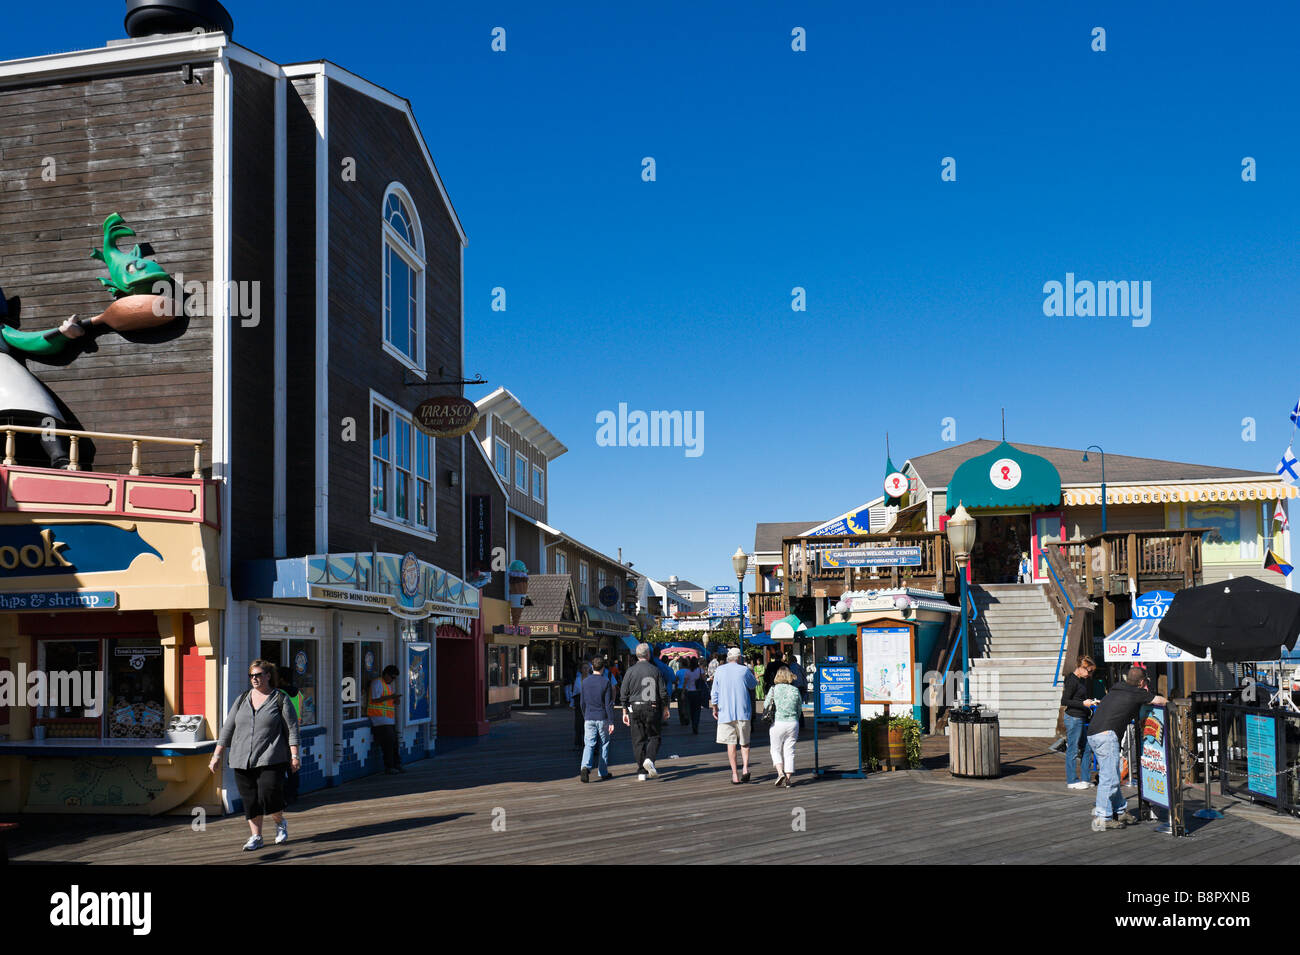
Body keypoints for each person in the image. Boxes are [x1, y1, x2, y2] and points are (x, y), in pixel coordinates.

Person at [209, 660, 300, 851]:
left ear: (268, 676)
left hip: (271, 756)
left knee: (269, 793)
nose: (254, 679)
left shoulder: (279, 699)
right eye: (252, 676)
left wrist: (294, 756)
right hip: (241, 758)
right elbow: (228, 728)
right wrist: (217, 755)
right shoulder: (242, 699)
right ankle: (256, 836)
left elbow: (292, 729)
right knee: (250, 799)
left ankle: (279, 821)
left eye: (258, 675)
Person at [1085, 665, 1167, 831]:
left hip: (1093, 734)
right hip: (1106, 735)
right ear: (1142, 681)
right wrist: (1170, 702)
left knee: (1112, 774)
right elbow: (1159, 700)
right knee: (1109, 778)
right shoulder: (1136, 693)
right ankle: (1103, 817)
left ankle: (1120, 810)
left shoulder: (1116, 689)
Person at [619, 643, 669, 780]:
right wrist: (665, 707)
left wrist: (624, 711)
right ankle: (649, 759)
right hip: (651, 707)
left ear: (636, 655)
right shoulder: (655, 670)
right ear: (648, 655)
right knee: (655, 736)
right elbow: (663, 692)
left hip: (634, 707)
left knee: (638, 740)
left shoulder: (630, 671)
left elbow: (623, 692)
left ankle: (641, 771)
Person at [711, 647, 757, 784]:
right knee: (745, 742)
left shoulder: (719, 670)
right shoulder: (744, 670)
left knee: (731, 744)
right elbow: (753, 685)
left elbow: (714, 692)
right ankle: (745, 769)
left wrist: (715, 708)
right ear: (738, 658)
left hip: (725, 712)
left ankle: (735, 775)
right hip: (743, 711)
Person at [1060, 655, 1098, 790]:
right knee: (1073, 749)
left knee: (1087, 748)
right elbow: (1064, 701)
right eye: (1089, 671)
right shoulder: (1072, 680)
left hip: (1081, 717)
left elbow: (1078, 698)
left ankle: (1085, 779)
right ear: (1081, 668)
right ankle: (1072, 780)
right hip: (1074, 718)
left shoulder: (1081, 680)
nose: (1090, 674)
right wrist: (1083, 703)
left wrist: (1090, 702)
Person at [578, 656, 617, 782]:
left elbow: (582, 702)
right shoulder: (605, 682)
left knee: (589, 744)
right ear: (603, 668)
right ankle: (603, 771)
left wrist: (585, 715)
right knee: (604, 744)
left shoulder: (585, 682)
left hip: (589, 716)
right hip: (602, 717)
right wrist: (611, 721)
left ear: (592, 667)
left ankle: (585, 766)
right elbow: (608, 704)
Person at [767, 665, 802, 787]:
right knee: (789, 751)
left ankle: (780, 772)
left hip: (778, 722)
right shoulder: (795, 690)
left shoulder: (773, 689)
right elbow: (799, 709)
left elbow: (766, 705)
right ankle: (788, 779)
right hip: (793, 723)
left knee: (775, 749)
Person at [368, 664, 404, 774]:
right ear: (386, 674)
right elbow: (375, 700)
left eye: (395, 678)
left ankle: (396, 764)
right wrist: (391, 697)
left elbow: (387, 700)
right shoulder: (377, 683)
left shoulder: (388, 685)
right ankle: (389, 766)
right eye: (392, 677)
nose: (393, 680)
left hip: (388, 719)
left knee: (394, 742)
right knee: (388, 743)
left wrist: (395, 700)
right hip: (379, 719)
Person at [277, 665, 303, 806]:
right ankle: (293, 793)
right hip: (296, 733)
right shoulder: (299, 693)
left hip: (282, 733)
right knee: (293, 766)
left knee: (280, 767)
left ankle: (284, 794)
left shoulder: (278, 693)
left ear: (280, 679)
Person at [680, 656, 705, 734]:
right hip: (697, 692)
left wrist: (683, 692)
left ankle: (692, 721)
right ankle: (695, 724)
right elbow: (704, 680)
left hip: (689, 692)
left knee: (691, 709)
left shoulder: (687, 671)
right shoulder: (700, 670)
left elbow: (685, 683)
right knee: (697, 710)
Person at [569, 662, 590, 749]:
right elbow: (575, 691)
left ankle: (588, 740)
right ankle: (578, 741)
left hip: (589, 702)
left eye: (587, 668)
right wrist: (572, 703)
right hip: (579, 702)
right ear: (581, 669)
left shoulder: (591, 678)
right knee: (578, 722)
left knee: (588, 722)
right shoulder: (577, 679)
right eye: (584, 668)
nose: (585, 670)